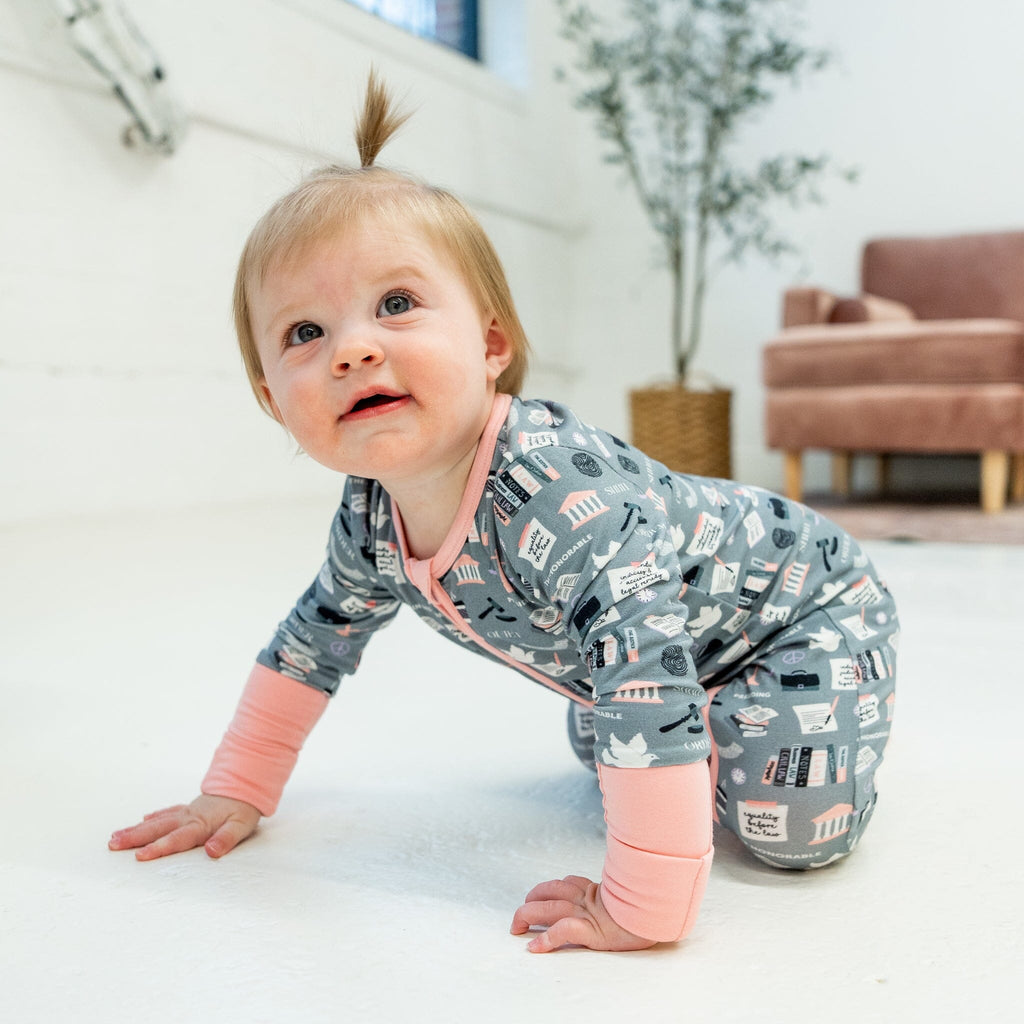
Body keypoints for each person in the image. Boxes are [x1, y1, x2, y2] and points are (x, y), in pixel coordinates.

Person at [109, 73, 898, 954]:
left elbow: (642, 671)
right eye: (305, 333)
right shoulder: (369, 516)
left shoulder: (561, 500)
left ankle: (772, 723)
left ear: (491, 346)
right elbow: (312, 641)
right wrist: (236, 791)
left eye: (397, 305)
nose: (354, 348)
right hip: (658, 645)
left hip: (803, 613)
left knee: (790, 834)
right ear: (271, 398)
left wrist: (642, 904)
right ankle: (699, 725)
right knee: (613, 733)